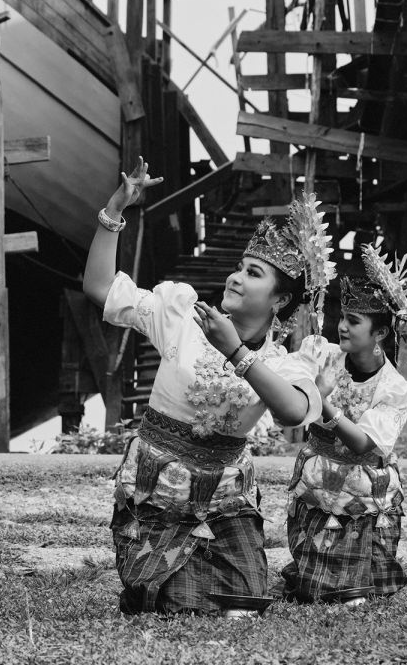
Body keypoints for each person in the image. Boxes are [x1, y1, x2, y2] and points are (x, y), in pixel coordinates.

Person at [81, 157, 331, 615]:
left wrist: (237, 352)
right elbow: (100, 287)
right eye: (240, 266)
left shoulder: (282, 361)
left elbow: (294, 413)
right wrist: (115, 208)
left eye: (255, 274)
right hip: (156, 490)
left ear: (280, 301)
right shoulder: (182, 316)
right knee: (174, 601)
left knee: (245, 602)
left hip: (223, 497)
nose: (236, 276)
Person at [281, 242, 407, 602]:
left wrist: (322, 400)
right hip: (316, 479)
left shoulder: (394, 388)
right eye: (342, 316)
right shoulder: (321, 354)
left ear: (381, 334)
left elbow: (362, 443)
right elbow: (287, 384)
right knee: (312, 587)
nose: (341, 326)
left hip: (362, 488)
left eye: (353, 321)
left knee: (351, 594)